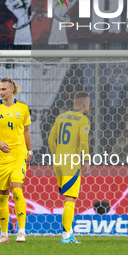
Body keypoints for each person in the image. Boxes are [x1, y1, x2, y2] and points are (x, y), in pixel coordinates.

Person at [0, 78, 32, 243]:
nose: (1, 92)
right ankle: (4, 235)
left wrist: (29, 151)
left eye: (3, 89)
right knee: (2, 196)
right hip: (0, 158)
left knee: (17, 190)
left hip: (18, 155)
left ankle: (22, 232)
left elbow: (26, 132)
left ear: (12, 90)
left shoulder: (23, 108)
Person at [47, 91, 91, 244]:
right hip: (71, 162)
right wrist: (86, 159)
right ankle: (66, 236)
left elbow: (51, 138)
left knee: (66, 198)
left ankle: (69, 232)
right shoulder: (83, 119)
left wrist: (56, 154)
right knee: (70, 199)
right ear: (85, 104)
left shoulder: (61, 117)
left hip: (58, 161)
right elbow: (84, 140)